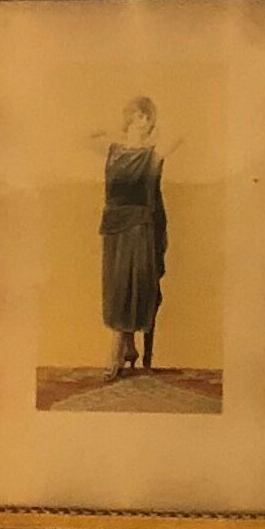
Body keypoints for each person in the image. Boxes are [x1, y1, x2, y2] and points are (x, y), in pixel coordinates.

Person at [98, 96, 168, 378]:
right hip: (114, 223)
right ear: (128, 118)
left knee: (132, 284)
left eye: (147, 117)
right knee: (115, 286)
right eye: (137, 116)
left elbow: (182, 134)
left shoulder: (154, 153)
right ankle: (129, 347)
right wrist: (120, 132)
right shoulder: (112, 150)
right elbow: (81, 135)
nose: (143, 122)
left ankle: (115, 349)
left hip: (141, 225)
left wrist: (150, 135)